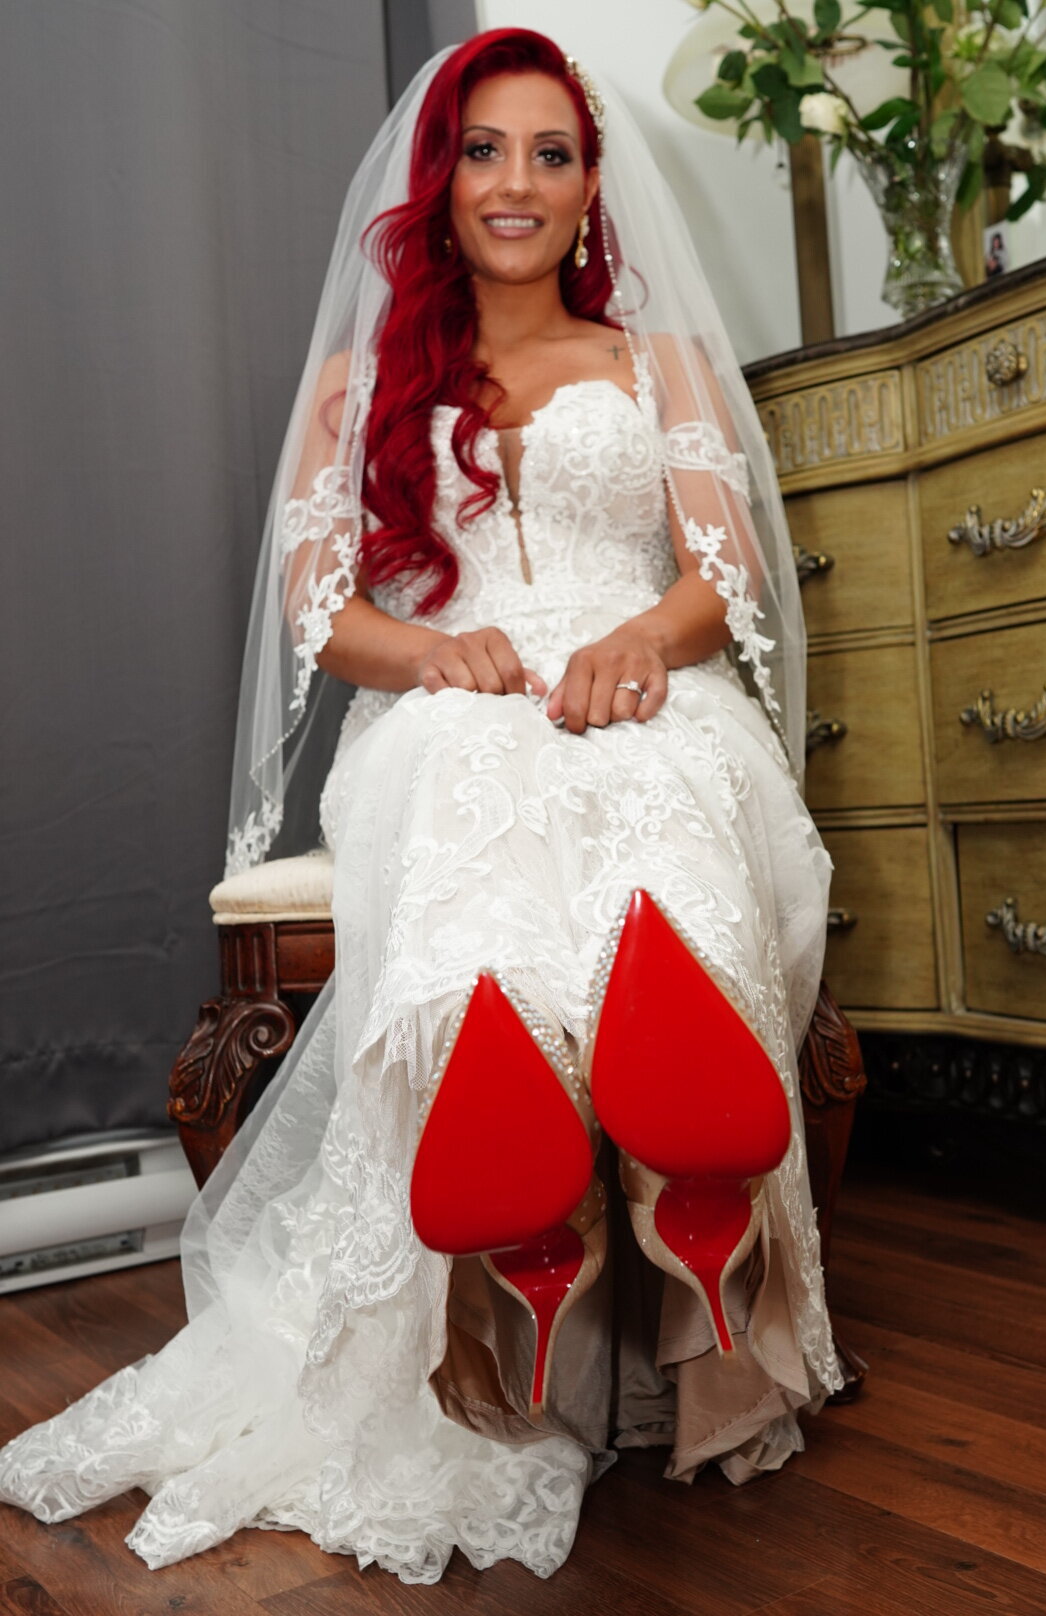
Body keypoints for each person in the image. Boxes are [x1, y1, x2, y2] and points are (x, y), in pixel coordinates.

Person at [0, 28, 841, 1586]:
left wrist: (638, 647)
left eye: (552, 152)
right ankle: (525, 1173)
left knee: (671, 781)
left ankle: (680, 1140)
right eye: (485, 151)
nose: (517, 182)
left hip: (636, 681)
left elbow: (713, 583)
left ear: (593, 188)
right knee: (471, 787)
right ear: (437, 181)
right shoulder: (355, 379)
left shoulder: (655, 364)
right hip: (446, 699)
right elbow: (328, 614)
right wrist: (443, 650)